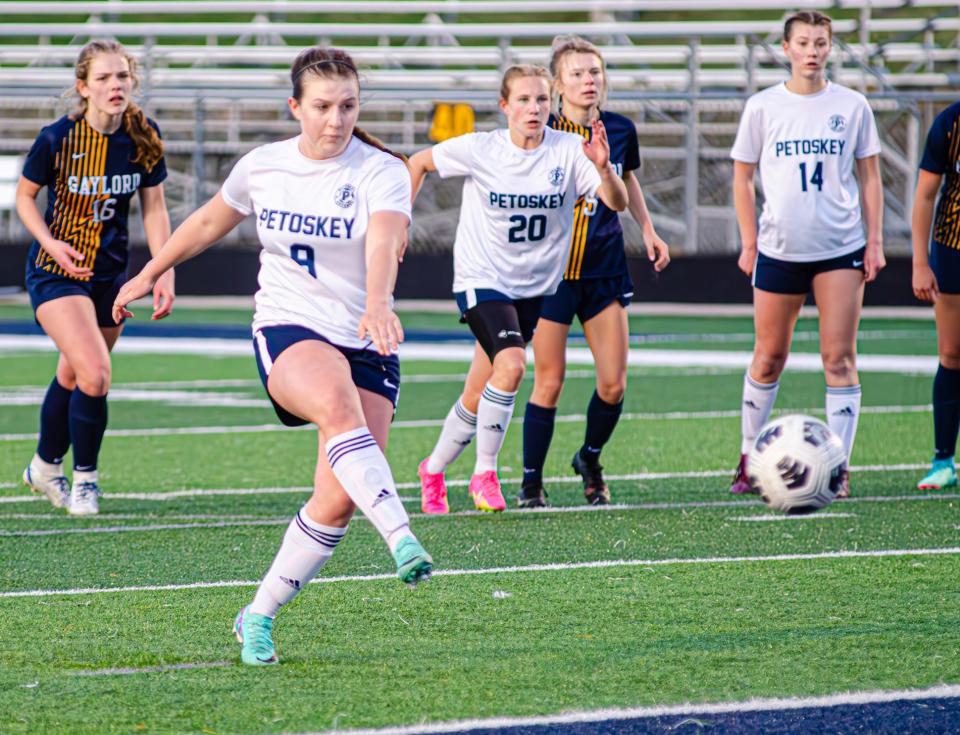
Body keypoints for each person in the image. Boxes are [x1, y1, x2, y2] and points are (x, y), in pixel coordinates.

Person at [112, 47, 432, 666]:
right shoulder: (264, 166)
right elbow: (207, 222)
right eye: (321, 107)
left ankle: (256, 616)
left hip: (367, 336)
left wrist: (377, 302)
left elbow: (387, 237)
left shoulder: (382, 170)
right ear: (295, 108)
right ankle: (401, 535)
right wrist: (150, 271)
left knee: (336, 500)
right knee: (339, 407)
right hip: (290, 326)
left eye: (348, 106)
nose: (335, 120)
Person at [410, 64, 628, 515]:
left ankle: (432, 469)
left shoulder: (570, 150)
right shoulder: (482, 148)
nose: (534, 109)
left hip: (534, 287)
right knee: (511, 367)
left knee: (480, 390)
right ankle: (484, 474)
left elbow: (616, 202)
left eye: (542, 100)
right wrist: (397, 227)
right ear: (505, 106)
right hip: (481, 278)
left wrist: (604, 169)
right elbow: (419, 163)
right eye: (524, 101)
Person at [728, 10, 884, 498]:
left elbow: (870, 177)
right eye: (803, 43)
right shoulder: (763, 107)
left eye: (820, 42)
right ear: (786, 48)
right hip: (779, 249)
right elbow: (742, 176)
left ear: (830, 48)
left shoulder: (853, 105)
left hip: (840, 248)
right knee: (769, 355)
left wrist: (875, 241)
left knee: (838, 357)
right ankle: (749, 456)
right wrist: (750, 240)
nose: (812, 51)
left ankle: (837, 467)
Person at [18, 39, 174, 516]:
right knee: (96, 373)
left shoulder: (142, 135)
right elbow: (25, 199)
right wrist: (51, 244)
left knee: (73, 372)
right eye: (104, 78)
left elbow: (155, 208)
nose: (115, 85)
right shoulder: (57, 138)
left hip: (110, 277)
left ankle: (44, 468)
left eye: (123, 76)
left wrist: (162, 269)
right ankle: (86, 478)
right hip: (56, 273)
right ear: (83, 87)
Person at [519, 36, 670, 509]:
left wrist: (647, 228)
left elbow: (627, 179)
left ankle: (589, 457)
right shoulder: (543, 130)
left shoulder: (619, 129)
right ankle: (531, 482)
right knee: (549, 379)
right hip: (551, 275)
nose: (589, 81)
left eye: (595, 72)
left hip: (604, 271)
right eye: (578, 74)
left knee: (613, 382)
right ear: (557, 82)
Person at [911, 98, 960, 490]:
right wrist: (920, 262)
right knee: (952, 352)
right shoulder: (949, 123)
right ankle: (943, 460)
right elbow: (925, 194)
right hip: (952, 247)